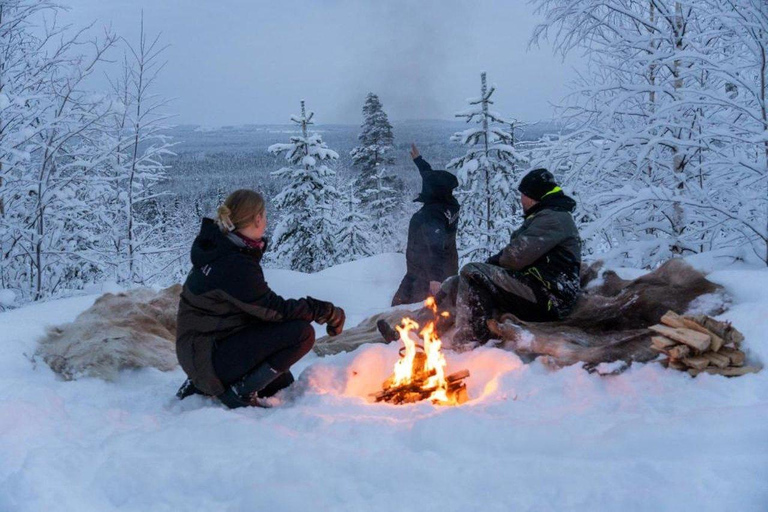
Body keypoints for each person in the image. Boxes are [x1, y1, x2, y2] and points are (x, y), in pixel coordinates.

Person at [175, 189, 346, 408]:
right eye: (265, 217)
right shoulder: (233, 263)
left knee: (281, 382)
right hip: (207, 356)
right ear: (257, 219)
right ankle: (238, 394)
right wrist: (322, 310)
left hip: (200, 349)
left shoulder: (220, 248)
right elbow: (274, 310)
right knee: (301, 334)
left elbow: (255, 307)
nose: (266, 222)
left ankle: (206, 382)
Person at [443, 168, 581, 345]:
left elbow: (515, 257)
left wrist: (490, 265)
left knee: (473, 272)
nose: (521, 199)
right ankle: (424, 327)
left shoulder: (553, 219)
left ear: (533, 196)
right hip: (538, 288)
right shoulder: (548, 216)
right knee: (456, 282)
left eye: (523, 194)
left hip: (549, 298)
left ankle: (470, 340)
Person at [391, 144, 460, 306]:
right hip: (440, 269)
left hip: (426, 276)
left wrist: (435, 279)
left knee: (408, 313)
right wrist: (419, 161)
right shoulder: (448, 203)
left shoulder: (431, 215)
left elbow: (436, 247)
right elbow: (431, 178)